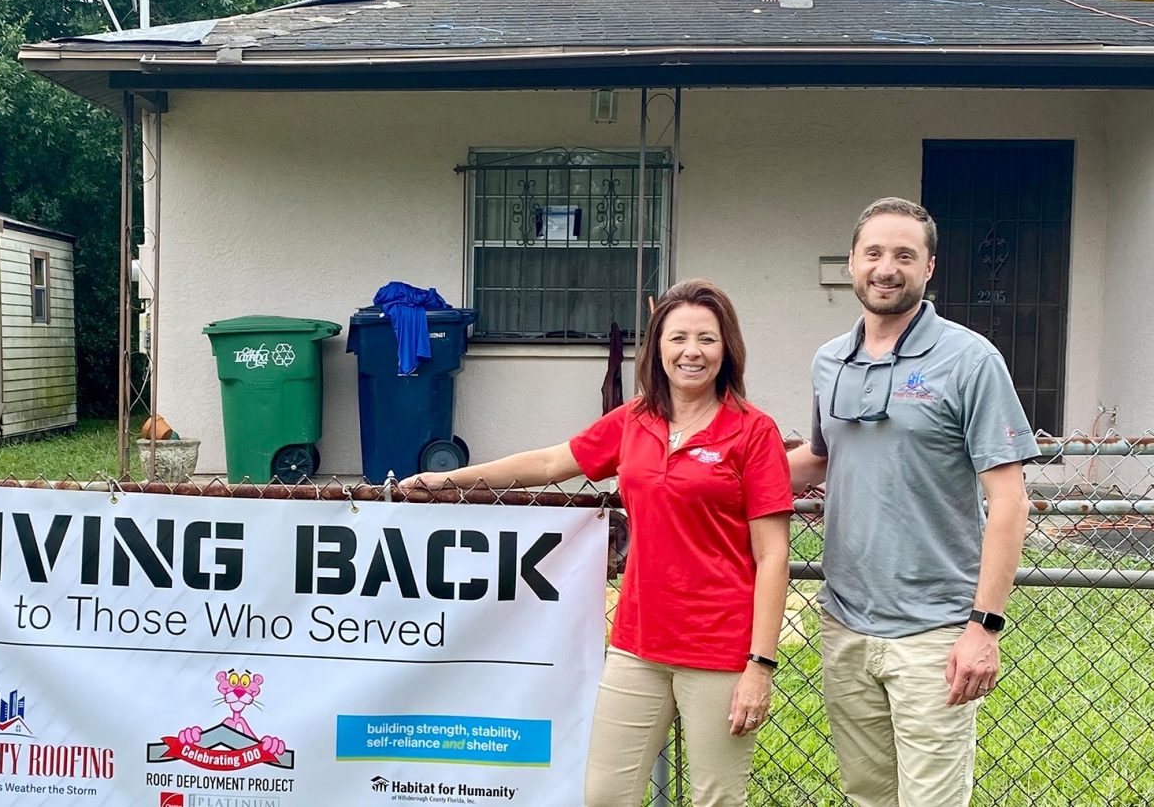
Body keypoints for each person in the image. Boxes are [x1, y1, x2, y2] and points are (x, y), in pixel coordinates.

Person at [403, 280, 791, 807]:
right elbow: (548, 463)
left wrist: (759, 665)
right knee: (606, 795)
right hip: (638, 645)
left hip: (719, 652)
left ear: (728, 349)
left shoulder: (752, 431)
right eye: (678, 338)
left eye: (707, 339)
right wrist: (451, 480)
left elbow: (772, 556)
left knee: (717, 799)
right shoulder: (635, 420)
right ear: (657, 347)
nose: (692, 352)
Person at [786, 198, 1037, 807]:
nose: (886, 268)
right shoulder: (829, 361)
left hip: (936, 633)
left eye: (905, 255)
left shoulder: (970, 359)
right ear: (852, 262)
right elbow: (822, 456)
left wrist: (984, 626)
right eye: (874, 253)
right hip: (844, 623)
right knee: (868, 796)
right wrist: (711, 479)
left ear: (929, 268)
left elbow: (1009, 501)